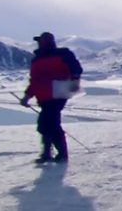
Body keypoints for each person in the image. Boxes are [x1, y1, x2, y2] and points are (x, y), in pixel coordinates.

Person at [20, 31, 83, 164]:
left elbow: (76, 69)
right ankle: (53, 154)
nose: (38, 43)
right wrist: (27, 96)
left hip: (57, 93)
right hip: (47, 95)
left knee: (46, 123)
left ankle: (53, 154)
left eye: (40, 41)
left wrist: (75, 81)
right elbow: (35, 81)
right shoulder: (39, 59)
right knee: (49, 123)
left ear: (45, 42)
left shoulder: (60, 54)